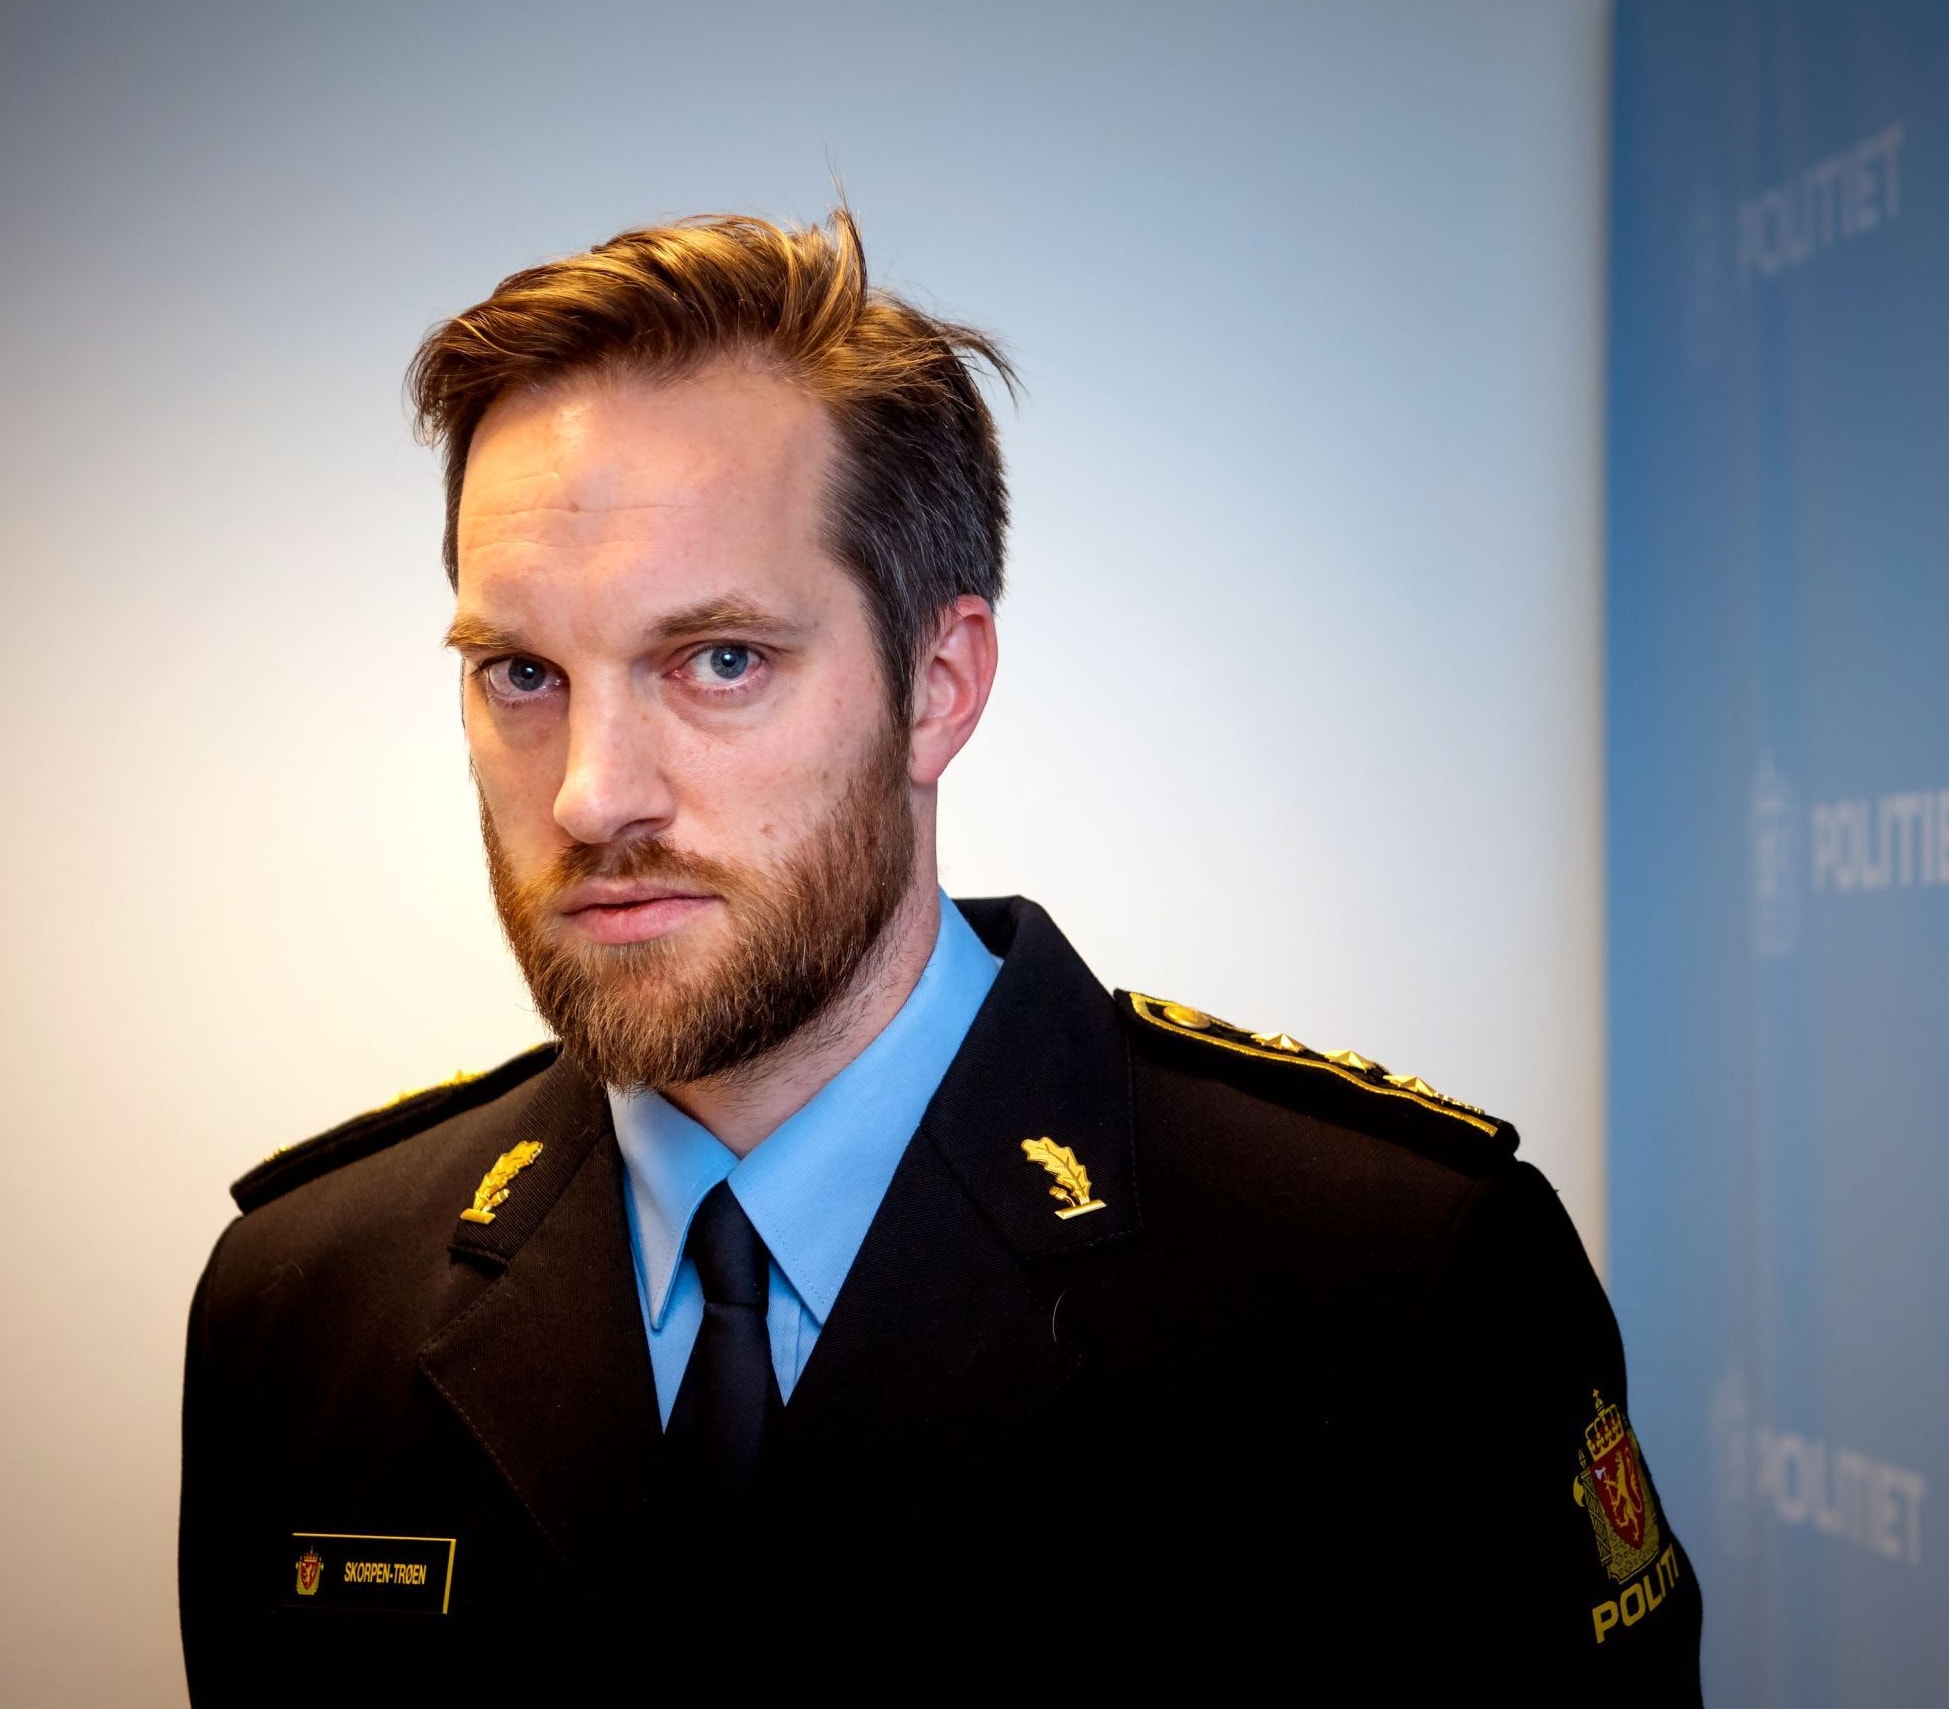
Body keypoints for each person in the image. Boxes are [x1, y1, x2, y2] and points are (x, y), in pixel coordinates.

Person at [178, 210, 1702, 1700]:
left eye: (720, 660)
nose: (590, 794)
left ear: (940, 684)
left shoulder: (1402, 1287)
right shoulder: (301, 1306)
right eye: (521, 673)